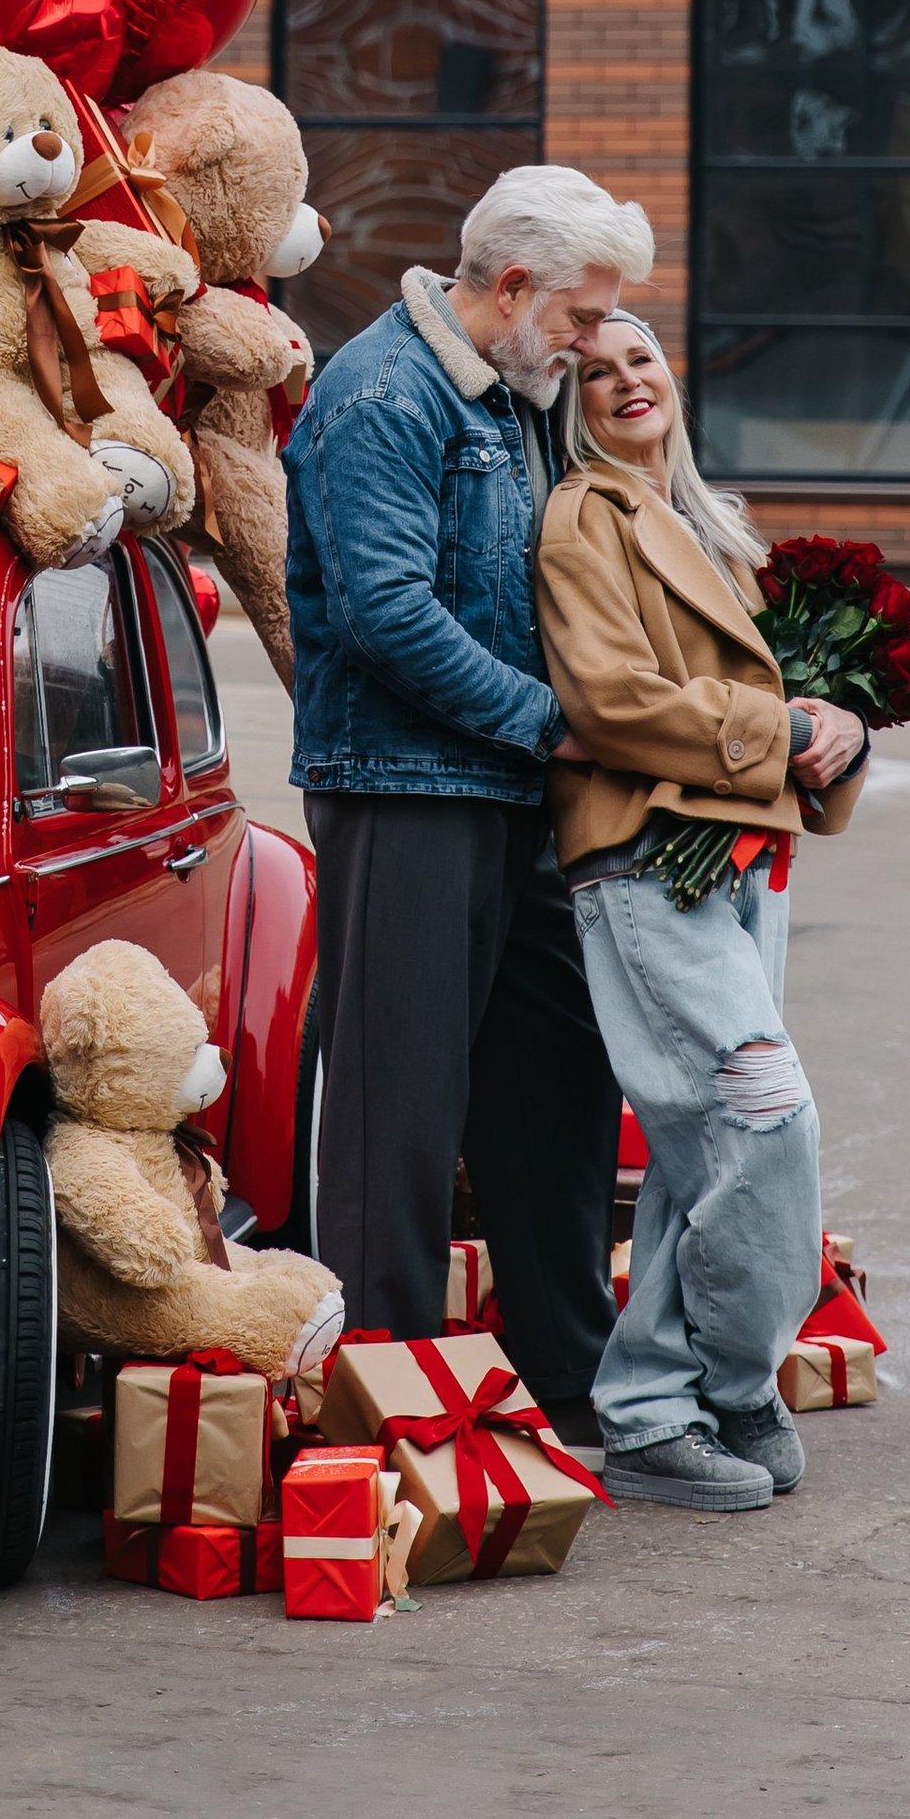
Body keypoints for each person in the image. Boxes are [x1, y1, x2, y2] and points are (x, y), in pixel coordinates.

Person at [282, 164, 655, 1430]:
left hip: (512, 785)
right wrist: (556, 724)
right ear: (511, 286)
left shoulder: (515, 387)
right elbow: (386, 616)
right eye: (579, 316)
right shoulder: (381, 394)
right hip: (406, 787)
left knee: (557, 1086)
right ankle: (384, 1406)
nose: (591, 341)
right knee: (397, 1113)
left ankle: (573, 1384)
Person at [536, 313, 869, 1513]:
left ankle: (654, 1410)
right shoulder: (584, 514)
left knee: (699, 1148)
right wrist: (781, 731)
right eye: (595, 371)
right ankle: (727, 1383)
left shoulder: (711, 524)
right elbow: (609, 699)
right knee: (765, 1116)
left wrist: (841, 728)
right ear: (569, 404)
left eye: (641, 360)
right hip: (644, 859)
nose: (627, 381)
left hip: (741, 856)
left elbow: (776, 688)